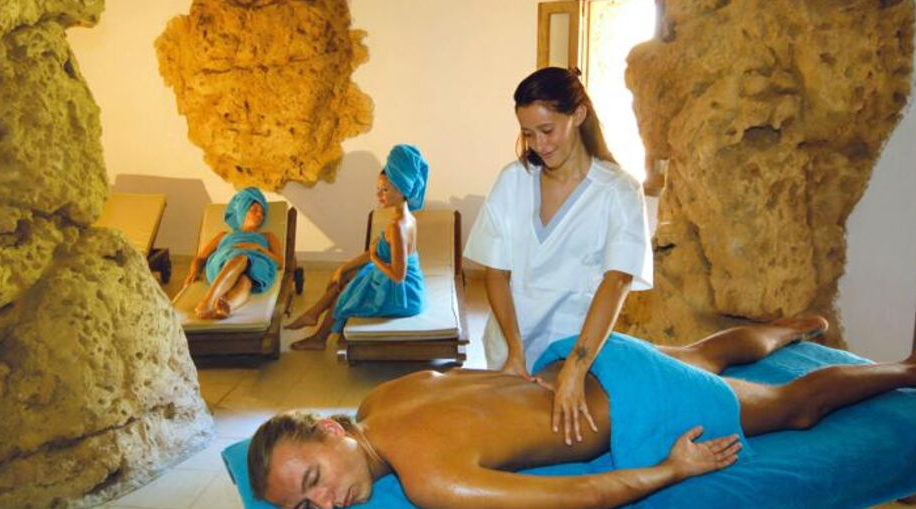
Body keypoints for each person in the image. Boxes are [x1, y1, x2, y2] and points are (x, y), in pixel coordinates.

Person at [247, 316, 916, 509]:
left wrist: (669, 469)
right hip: (586, 363)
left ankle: (915, 368)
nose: (327, 503)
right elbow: (493, 378)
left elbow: (583, 494)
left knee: (794, 408)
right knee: (702, 352)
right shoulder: (385, 396)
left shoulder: (430, 480)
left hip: (638, 401)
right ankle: (788, 328)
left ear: (331, 429)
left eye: (314, 478)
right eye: (305, 507)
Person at [464, 66, 653, 445]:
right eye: (528, 133)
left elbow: (616, 281)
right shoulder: (513, 181)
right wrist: (514, 352)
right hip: (510, 344)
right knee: (505, 439)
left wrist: (576, 368)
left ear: (578, 115)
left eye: (547, 130)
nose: (539, 144)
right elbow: (496, 272)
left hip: (574, 349)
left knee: (559, 442)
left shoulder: (617, 191)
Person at [287, 144, 430, 351]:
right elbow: (380, 253)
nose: (379, 195)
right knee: (345, 276)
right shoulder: (407, 218)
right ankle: (314, 316)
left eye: (385, 190)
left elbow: (398, 275)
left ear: (401, 191)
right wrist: (344, 267)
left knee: (348, 289)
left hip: (402, 296)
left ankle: (318, 335)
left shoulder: (397, 227)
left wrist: (375, 258)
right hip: (405, 287)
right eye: (378, 189)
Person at [185, 187, 283, 320]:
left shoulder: (267, 236)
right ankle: (212, 302)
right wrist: (194, 271)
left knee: (246, 280)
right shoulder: (223, 236)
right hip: (223, 264)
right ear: (242, 210)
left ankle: (225, 305)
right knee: (240, 258)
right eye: (254, 209)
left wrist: (257, 248)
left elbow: (279, 262)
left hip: (257, 266)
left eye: (262, 212)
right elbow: (202, 257)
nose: (259, 214)